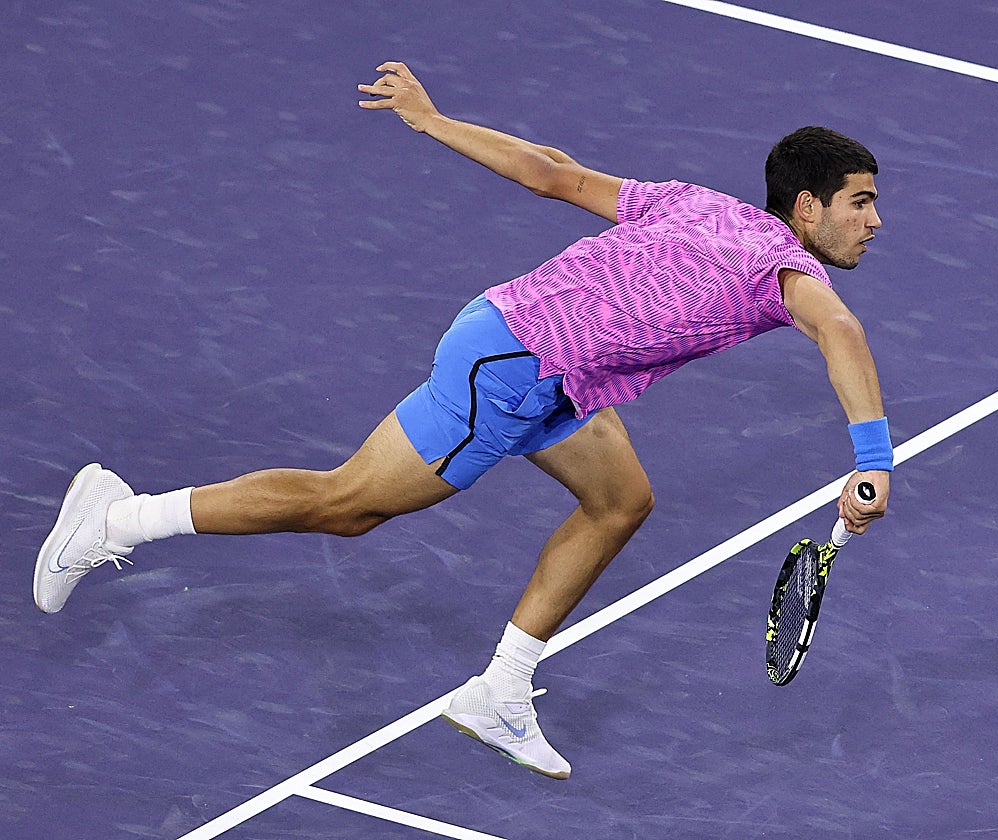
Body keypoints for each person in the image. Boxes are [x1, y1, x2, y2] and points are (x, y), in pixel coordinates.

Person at [34, 61, 892, 780]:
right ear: (807, 207)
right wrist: (872, 460)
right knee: (348, 505)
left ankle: (500, 693)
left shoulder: (701, 204)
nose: (875, 221)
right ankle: (113, 519)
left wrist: (432, 120)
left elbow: (553, 172)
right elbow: (841, 331)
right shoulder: (783, 270)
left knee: (620, 501)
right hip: (512, 367)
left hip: (547, 362)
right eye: (860, 202)